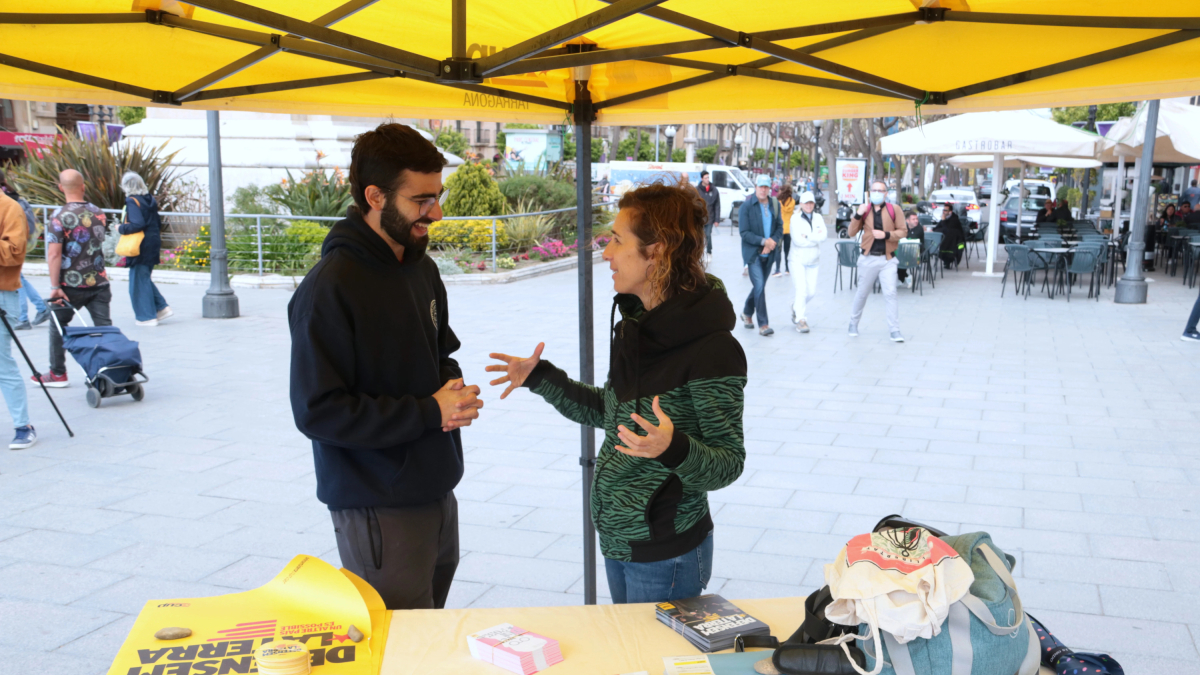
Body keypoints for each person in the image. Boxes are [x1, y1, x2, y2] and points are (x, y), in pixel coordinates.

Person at [486, 181, 747, 604]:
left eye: (617, 240)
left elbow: (727, 464)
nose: (605, 253)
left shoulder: (713, 349)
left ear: (657, 250)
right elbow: (614, 415)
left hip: (668, 554)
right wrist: (541, 378)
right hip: (619, 541)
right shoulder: (636, 326)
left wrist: (671, 447)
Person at [288, 123, 483, 610]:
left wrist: (453, 393)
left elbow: (438, 355)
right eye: (421, 200)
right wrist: (428, 411)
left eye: (436, 196)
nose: (435, 213)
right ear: (375, 196)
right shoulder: (330, 287)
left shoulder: (422, 267)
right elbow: (319, 412)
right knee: (398, 646)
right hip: (377, 502)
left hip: (436, 488)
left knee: (429, 635)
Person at [33, 169, 112, 389]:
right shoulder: (99, 213)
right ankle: (112, 369)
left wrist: (54, 286)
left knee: (57, 324)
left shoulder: (58, 217)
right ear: (83, 186)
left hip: (71, 286)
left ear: (60, 188)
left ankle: (58, 373)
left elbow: (54, 254)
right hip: (99, 282)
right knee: (104, 328)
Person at [848, 180, 905, 343]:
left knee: (891, 294)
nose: (877, 193)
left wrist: (886, 235)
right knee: (862, 293)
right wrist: (858, 214)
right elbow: (852, 232)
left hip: (888, 259)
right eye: (874, 190)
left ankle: (895, 330)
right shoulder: (865, 210)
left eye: (881, 190)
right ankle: (853, 323)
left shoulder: (894, 210)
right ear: (870, 192)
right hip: (868, 258)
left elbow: (903, 231)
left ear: (886, 194)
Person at [0, 189, 35, 449]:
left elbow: (15, 251)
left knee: (2, 364)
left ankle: (23, 426)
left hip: (2, 294)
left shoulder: (9, 207)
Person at [118, 172, 173, 327]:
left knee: (138, 281)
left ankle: (147, 316)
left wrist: (121, 228)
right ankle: (161, 308)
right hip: (152, 242)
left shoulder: (132, 201)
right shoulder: (149, 199)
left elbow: (137, 224)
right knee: (143, 277)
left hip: (140, 245)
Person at [0, 173, 50, 331]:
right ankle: (41, 308)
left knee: (17, 278)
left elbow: (14, 250)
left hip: (4, 288)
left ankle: (24, 317)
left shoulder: (10, 204)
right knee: (20, 279)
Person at [738, 175, 782, 336]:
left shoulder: (774, 205)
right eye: (760, 186)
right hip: (753, 254)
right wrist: (764, 242)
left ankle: (747, 313)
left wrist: (771, 244)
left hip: (769, 253)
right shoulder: (747, 206)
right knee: (759, 286)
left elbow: (779, 228)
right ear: (755, 187)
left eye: (766, 187)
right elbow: (744, 233)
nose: (763, 190)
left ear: (770, 189)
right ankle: (763, 324)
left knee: (760, 285)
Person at [789, 191, 827, 334]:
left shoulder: (818, 218)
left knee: (811, 292)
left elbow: (823, 236)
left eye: (811, 203)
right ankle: (801, 320)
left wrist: (808, 237)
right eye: (806, 203)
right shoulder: (795, 218)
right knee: (802, 290)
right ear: (801, 204)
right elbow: (797, 240)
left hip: (813, 260)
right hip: (797, 260)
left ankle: (795, 307)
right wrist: (814, 238)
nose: (809, 205)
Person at [897, 209, 924, 289]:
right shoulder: (904, 228)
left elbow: (910, 239)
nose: (916, 221)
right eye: (913, 219)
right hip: (904, 251)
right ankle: (903, 277)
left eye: (916, 219)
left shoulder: (919, 228)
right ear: (907, 221)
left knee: (900, 259)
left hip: (916, 253)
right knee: (893, 258)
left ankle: (902, 278)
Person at [933, 202, 965, 267]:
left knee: (947, 238)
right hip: (947, 238)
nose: (943, 211)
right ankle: (943, 257)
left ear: (950, 212)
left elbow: (947, 230)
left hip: (956, 241)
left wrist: (943, 221)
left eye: (945, 210)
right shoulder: (945, 217)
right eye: (943, 210)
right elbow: (937, 227)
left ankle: (947, 259)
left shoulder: (954, 219)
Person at [773, 185, 795, 277]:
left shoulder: (778, 202)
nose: (778, 192)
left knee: (778, 250)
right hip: (789, 229)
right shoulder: (792, 201)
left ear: (783, 192)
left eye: (780, 191)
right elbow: (788, 210)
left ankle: (778, 269)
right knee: (787, 250)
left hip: (780, 229)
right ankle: (787, 269)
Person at [697, 171, 720, 261]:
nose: (707, 179)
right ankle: (699, 252)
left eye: (708, 177)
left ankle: (709, 251)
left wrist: (717, 219)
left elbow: (717, 205)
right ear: (702, 179)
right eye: (705, 177)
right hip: (699, 218)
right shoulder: (697, 190)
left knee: (708, 235)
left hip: (710, 217)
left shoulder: (714, 190)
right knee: (699, 236)